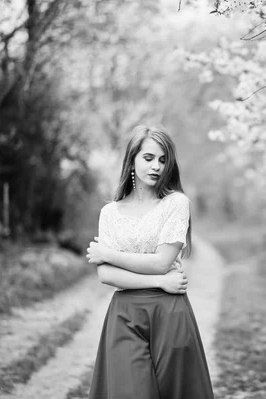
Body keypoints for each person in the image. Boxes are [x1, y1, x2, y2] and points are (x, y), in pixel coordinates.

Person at [85, 125, 214, 399]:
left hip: (170, 314)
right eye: (148, 158)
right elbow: (107, 276)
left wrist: (108, 254)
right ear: (132, 159)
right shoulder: (109, 212)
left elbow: (161, 262)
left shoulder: (176, 204)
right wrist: (159, 282)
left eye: (163, 159)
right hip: (124, 316)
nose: (157, 166)